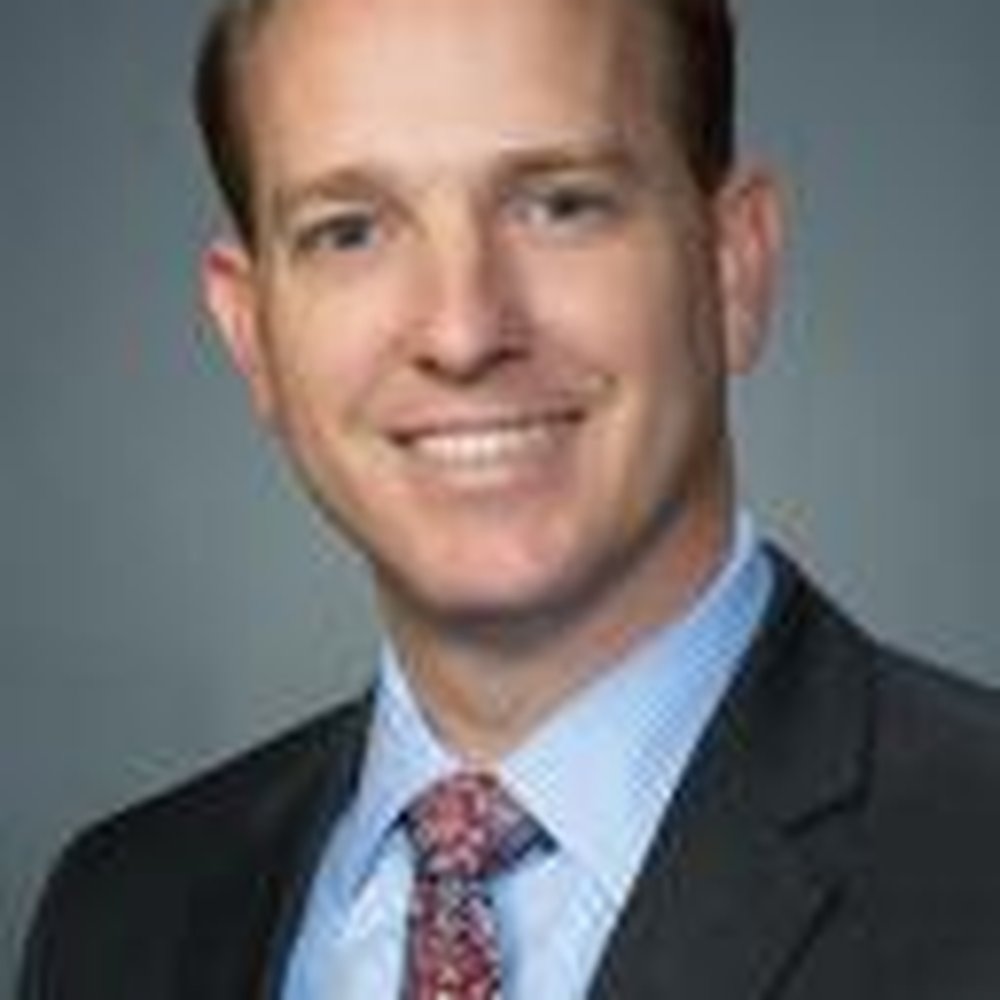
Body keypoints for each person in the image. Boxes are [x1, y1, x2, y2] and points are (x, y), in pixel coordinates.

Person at [18, 0, 1000, 996]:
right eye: (350, 231)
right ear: (251, 331)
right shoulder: (117, 917)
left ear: (733, 266)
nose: (462, 332)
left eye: (559, 205)